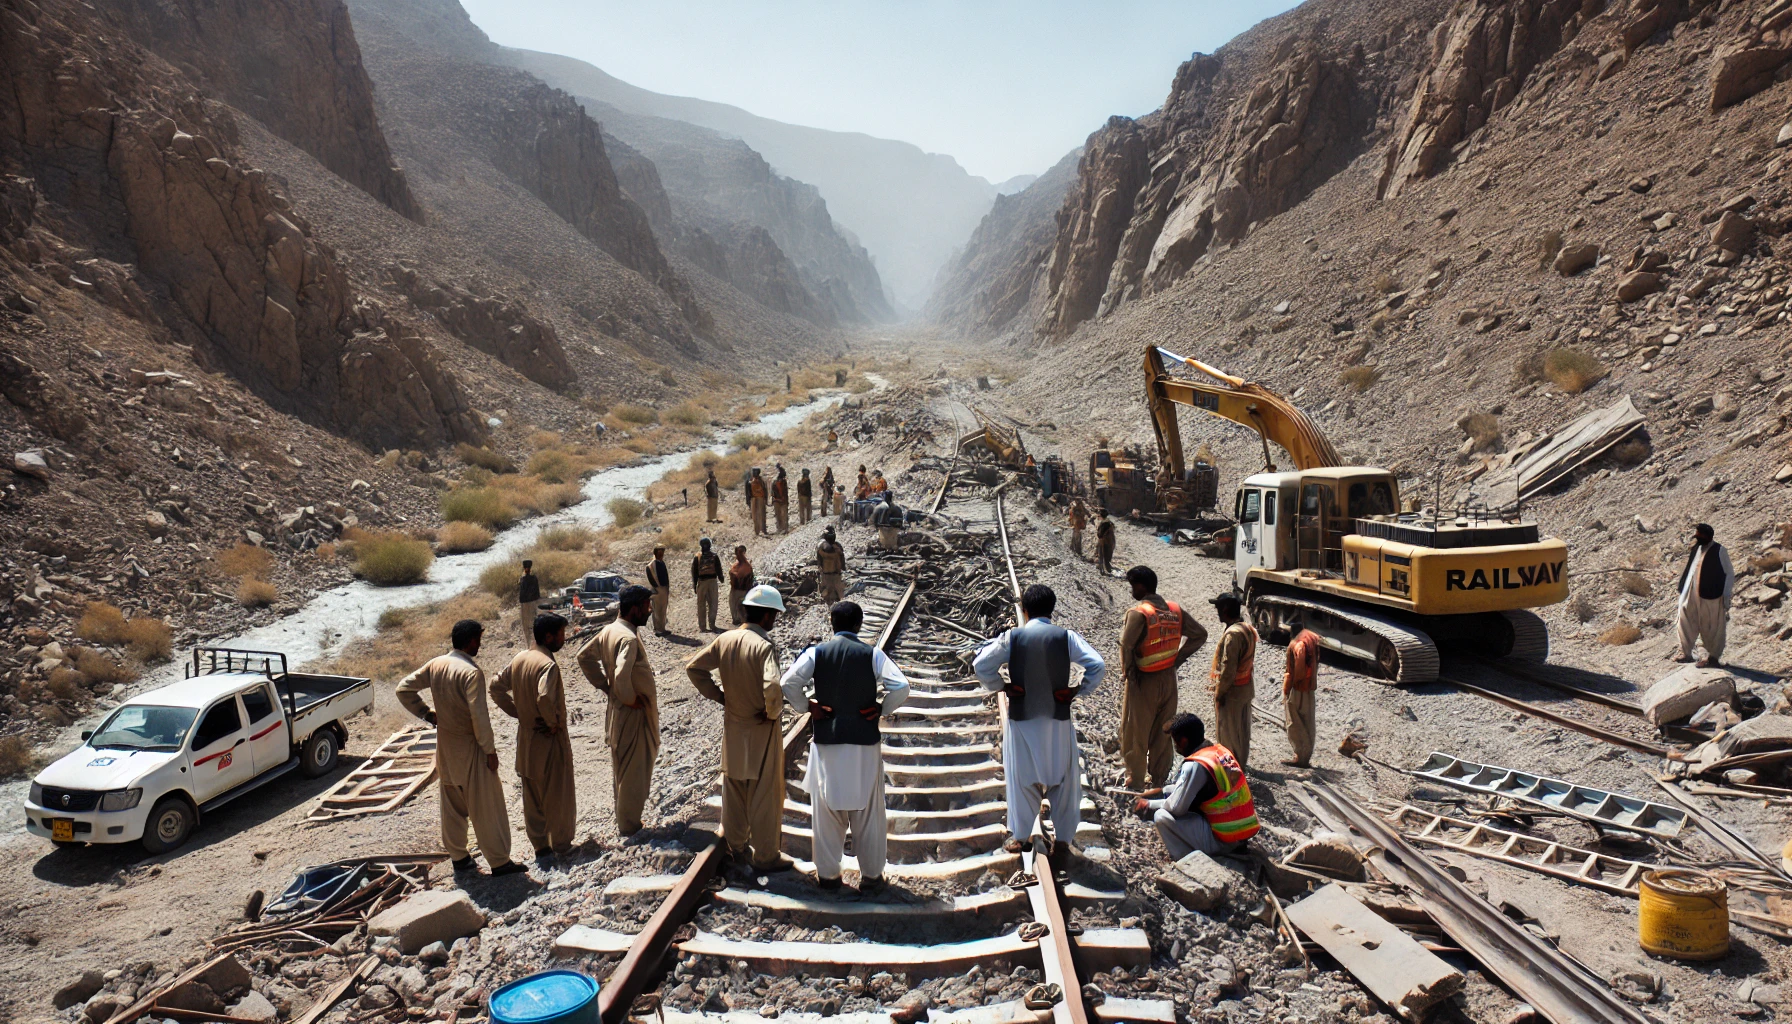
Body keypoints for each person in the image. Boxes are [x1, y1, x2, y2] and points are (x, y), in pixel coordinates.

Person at [780, 601, 910, 894]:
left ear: (832, 623)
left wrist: (808, 707)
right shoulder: (873, 655)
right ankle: (872, 877)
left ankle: (828, 878)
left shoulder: (816, 653)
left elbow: (788, 682)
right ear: (858, 625)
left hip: (827, 743)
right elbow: (901, 687)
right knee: (869, 813)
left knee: (825, 813)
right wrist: (881, 708)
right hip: (865, 744)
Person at [973, 584, 1106, 865]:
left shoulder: (1012, 638)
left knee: (1022, 779)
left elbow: (981, 666)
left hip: (1022, 720)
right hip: (1058, 720)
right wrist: (1076, 690)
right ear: (1052, 609)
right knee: (1064, 781)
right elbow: (1097, 665)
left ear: (1025, 610)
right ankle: (1064, 841)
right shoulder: (1066, 637)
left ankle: (1021, 836)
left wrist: (1002, 685)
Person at [395, 620, 525, 876]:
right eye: (478, 639)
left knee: (452, 805)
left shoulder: (436, 664)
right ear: (470, 641)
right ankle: (499, 861)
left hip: (445, 748)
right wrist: (490, 751)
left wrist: (427, 714)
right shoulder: (470, 672)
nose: (480, 644)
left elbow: (403, 689)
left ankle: (459, 857)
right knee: (486, 806)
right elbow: (479, 717)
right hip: (471, 748)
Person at [686, 585, 791, 877]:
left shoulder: (725, 640)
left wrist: (720, 696)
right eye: (775, 615)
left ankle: (736, 845)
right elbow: (772, 686)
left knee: (734, 789)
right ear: (768, 615)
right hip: (762, 729)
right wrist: (772, 712)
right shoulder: (763, 646)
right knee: (764, 793)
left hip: (734, 727)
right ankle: (767, 856)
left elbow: (694, 669)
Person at [492, 613, 577, 868]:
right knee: (558, 795)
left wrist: (518, 712)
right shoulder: (547, 665)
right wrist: (551, 723)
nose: (564, 639)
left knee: (533, 796)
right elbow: (543, 697)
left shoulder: (519, 658)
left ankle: (541, 848)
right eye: (561, 634)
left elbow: (495, 687)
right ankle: (562, 846)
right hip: (550, 740)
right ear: (549, 636)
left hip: (526, 739)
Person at [577, 585, 660, 837]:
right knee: (634, 772)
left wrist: (607, 688)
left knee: (622, 769)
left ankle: (625, 822)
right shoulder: (628, 638)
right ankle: (629, 827)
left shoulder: (610, 630)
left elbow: (584, 657)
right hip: (632, 714)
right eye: (646, 606)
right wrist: (628, 697)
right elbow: (622, 674)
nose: (649, 611)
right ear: (634, 608)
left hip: (617, 712)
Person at [1118, 566, 1207, 791]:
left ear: (1141, 586)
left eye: (1132, 586)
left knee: (1135, 731)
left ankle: (1136, 781)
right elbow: (1200, 634)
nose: (1131, 590)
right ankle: (1158, 779)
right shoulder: (1175, 611)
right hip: (1168, 679)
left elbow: (1127, 646)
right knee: (1163, 731)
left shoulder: (1139, 613)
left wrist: (1129, 672)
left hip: (1143, 681)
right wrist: (1177, 659)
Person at [1132, 713, 1259, 859]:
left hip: (1222, 841)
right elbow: (1195, 788)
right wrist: (1164, 791)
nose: (1176, 747)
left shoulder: (1195, 765)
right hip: (1240, 835)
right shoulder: (1218, 753)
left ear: (1184, 741)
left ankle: (1186, 859)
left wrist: (1149, 804)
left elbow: (1176, 808)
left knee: (1161, 816)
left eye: (1175, 742)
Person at [1209, 593, 1258, 768]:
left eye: (1218, 609)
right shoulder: (1247, 628)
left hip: (1233, 691)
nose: (1217, 613)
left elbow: (1228, 669)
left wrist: (1220, 693)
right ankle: (1241, 763)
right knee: (1242, 730)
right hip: (1245, 686)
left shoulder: (1233, 635)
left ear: (1225, 610)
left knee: (1229, 731)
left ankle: (1231, 767)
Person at [1676, 522, 1734, 667]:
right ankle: (1686, 652)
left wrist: (1726, 595)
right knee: (1685, 620)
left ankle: (1712, 658)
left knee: (1712, 626)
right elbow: (1690, 570)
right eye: (1697, 534)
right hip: (1692, 592)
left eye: (1700, 534)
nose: (1697, 537)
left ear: (1707, 536)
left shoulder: (1720, 550)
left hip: (1712, 595)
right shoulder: (1696, 548)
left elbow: (1729, 573)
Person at [1282, 622, 1321, 768]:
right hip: (1309, 688)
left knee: (1294, 721)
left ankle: (1300, 756)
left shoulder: (1297, 644)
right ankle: (1306, 755)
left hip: (1298, 688)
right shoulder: (1311, 638)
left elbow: (1297, 668)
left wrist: (1289, 686)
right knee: (1308, 720)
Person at [691, 537, 723, 632]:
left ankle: (703, 627)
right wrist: (721, 578)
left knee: (701, 605)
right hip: (712, 581)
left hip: (702, 582)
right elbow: (718, 569)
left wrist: (695, 584)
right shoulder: (714, 556)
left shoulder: (697, 557)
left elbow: (694, 572)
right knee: (713, 603)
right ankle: (712, 625)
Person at [816, 526, 847, 604]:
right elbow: (842, 560)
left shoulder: (822, 547)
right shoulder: (837, 547)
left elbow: (819, 560)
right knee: (837, 595)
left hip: (828, 575)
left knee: (828, 595)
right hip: (835, 575)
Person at [645, 545, 671, 634]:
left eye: (662, 552)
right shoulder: (650, 565)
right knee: (657, 610)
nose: (661, 554)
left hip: (664, 589)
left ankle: (662, 628)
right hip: (657, 590)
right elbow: (651, 578)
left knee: (663, 610)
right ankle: (657, 630)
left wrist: (667, 588)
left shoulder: (662, 563)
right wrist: (657, 588)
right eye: (659, 552)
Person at [728, 544, 756, 626]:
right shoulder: (747, 566)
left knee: (734, 605)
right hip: (744, 590)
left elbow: (733, 575)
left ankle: (738, 620)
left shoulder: (737, 566)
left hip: (737, 590)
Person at [517, 559, 541, 644]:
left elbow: (521, 593)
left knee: (526, 625)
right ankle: (535, 642)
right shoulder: (534, 578)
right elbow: (537, 593)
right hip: (532, 603)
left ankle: (529, 644)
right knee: (533, 623)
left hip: (524, 604)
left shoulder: (522, 579)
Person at [747, 467, 769, 537]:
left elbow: (765, 490)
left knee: (761, 514)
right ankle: (757, 531)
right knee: (754, 516)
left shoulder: (761, 480)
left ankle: (763, 530)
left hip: (760, 498)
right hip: (753, 498)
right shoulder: (750, 481)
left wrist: (765, 499)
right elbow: (748, 491)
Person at [1095, 510, 1116, 576]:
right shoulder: (1109, 522)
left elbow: (1100, 535)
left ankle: (1103, 571)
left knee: (1103, 555)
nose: (1098, 517)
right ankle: (1105, 569)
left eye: (1099, 516)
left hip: (1104, 542)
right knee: (1107, 556)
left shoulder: (1104, 524)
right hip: (1110, 542)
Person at [773, 465, 791, 534]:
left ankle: (783, 528)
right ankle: (782, 528)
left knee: (781, 515)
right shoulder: (780, 482)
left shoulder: (779, 482)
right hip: (779, 500)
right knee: (781, 515)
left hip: (779, 500)